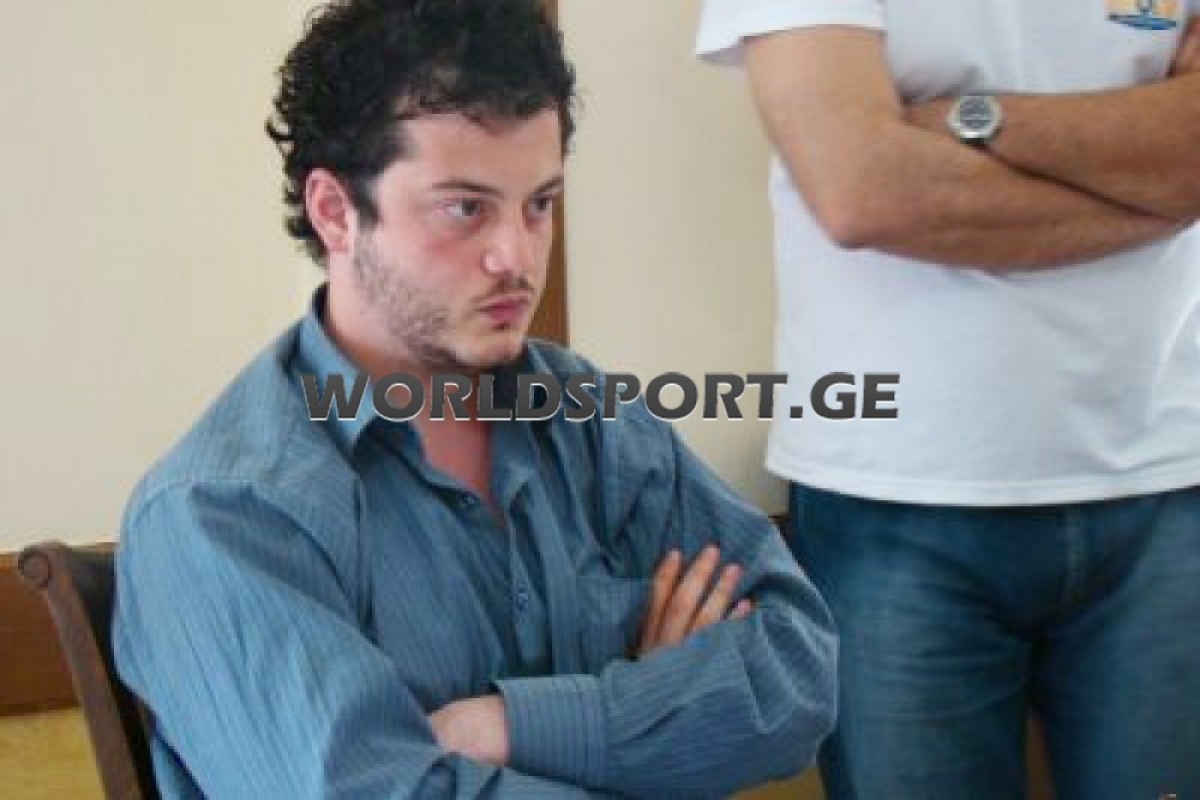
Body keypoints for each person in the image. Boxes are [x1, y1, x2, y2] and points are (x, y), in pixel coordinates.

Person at [113, 1, 838, 797]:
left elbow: (799, 670)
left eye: (540, 204)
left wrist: (507, 728)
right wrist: (652, 722)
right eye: (465, 208)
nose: (516, 257)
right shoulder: (222, 512)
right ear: (335, 213)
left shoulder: (587, 419)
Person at [696, 2, 1200, 798]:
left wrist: (976, 119)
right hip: (895, 496)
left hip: (1168, 479)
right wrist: (1154, 186)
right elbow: (864, 191)